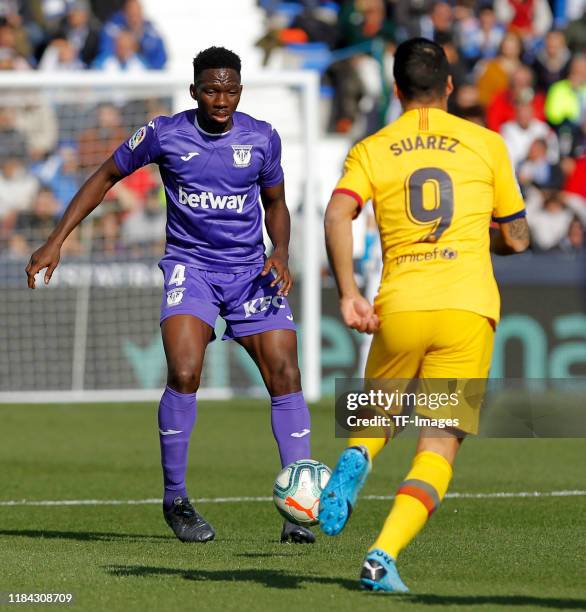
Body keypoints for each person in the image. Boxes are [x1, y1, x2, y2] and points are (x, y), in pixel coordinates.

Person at [25, 46, 314, 545]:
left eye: (229, 90)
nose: (220, 99)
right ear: (194, 91)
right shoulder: (164, 134)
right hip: (191, 269)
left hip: (249, 273)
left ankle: (299, 507)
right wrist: (57, 239)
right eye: (210, 89)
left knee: (286, 372)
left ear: (240, 92)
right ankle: (175, 500)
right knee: (183, 370)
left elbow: (276, 204)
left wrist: (281, 250)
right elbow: (105, 176)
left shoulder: (263, 138)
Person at [319, 38, 529, 592]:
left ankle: (358, 455)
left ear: (396, 90)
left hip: (400, 305)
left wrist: (346, 294)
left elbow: (338, 213)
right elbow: (517, 236)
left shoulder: (372, 148)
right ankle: (381, 556)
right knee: (438, 444)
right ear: (451, 88)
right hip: (467, 307)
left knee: (374, 420)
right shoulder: (486, 143)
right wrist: (484, 238)